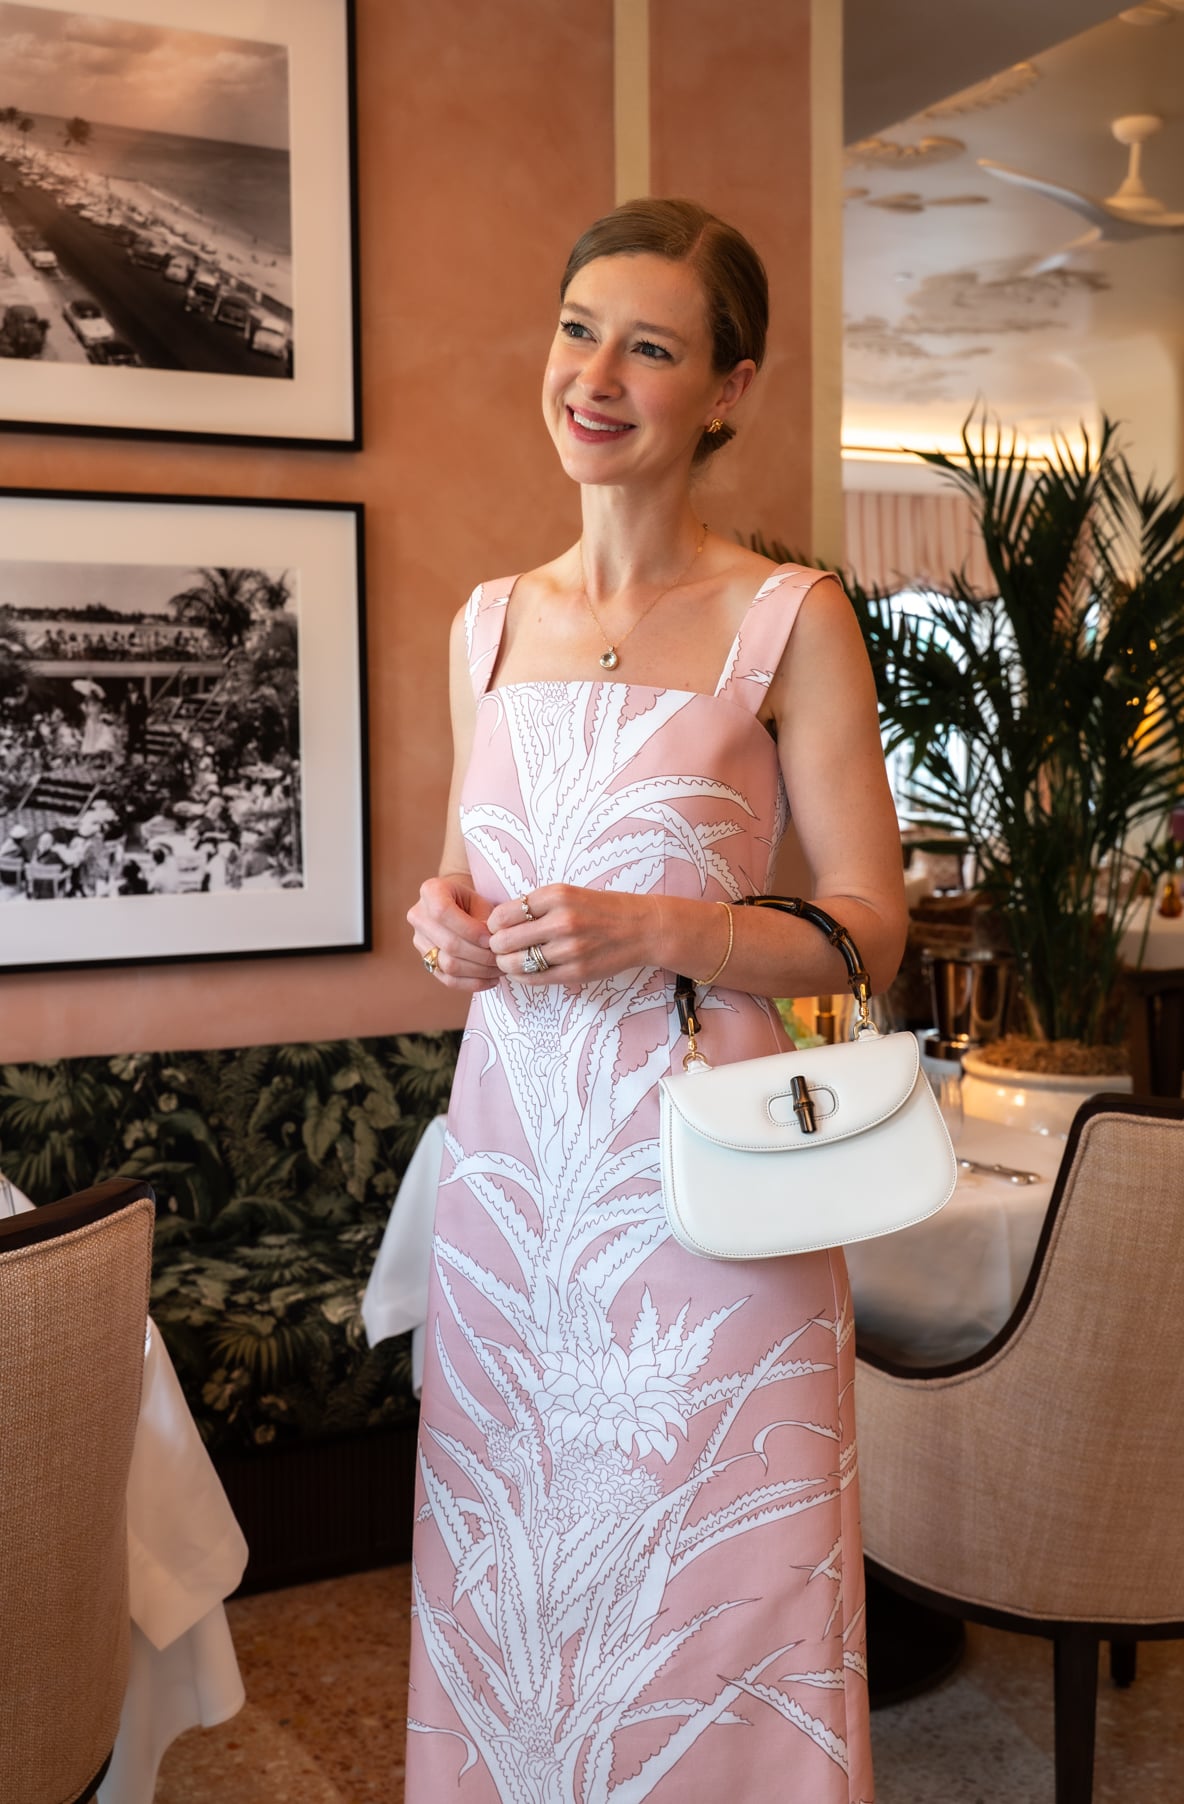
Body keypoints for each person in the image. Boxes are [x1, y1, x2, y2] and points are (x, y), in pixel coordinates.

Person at [405, 197, 906, 1804]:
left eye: (650, 347)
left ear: (728, 389)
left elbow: (869, 933)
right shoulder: (488, 622)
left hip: (711, 1195)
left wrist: (665, 929)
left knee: (723, 1582)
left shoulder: (791, 618)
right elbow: (462, 883)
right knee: (519, 1571)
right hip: (512, 1184)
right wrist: (446, 928)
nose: (596, 375)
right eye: (578, 331)